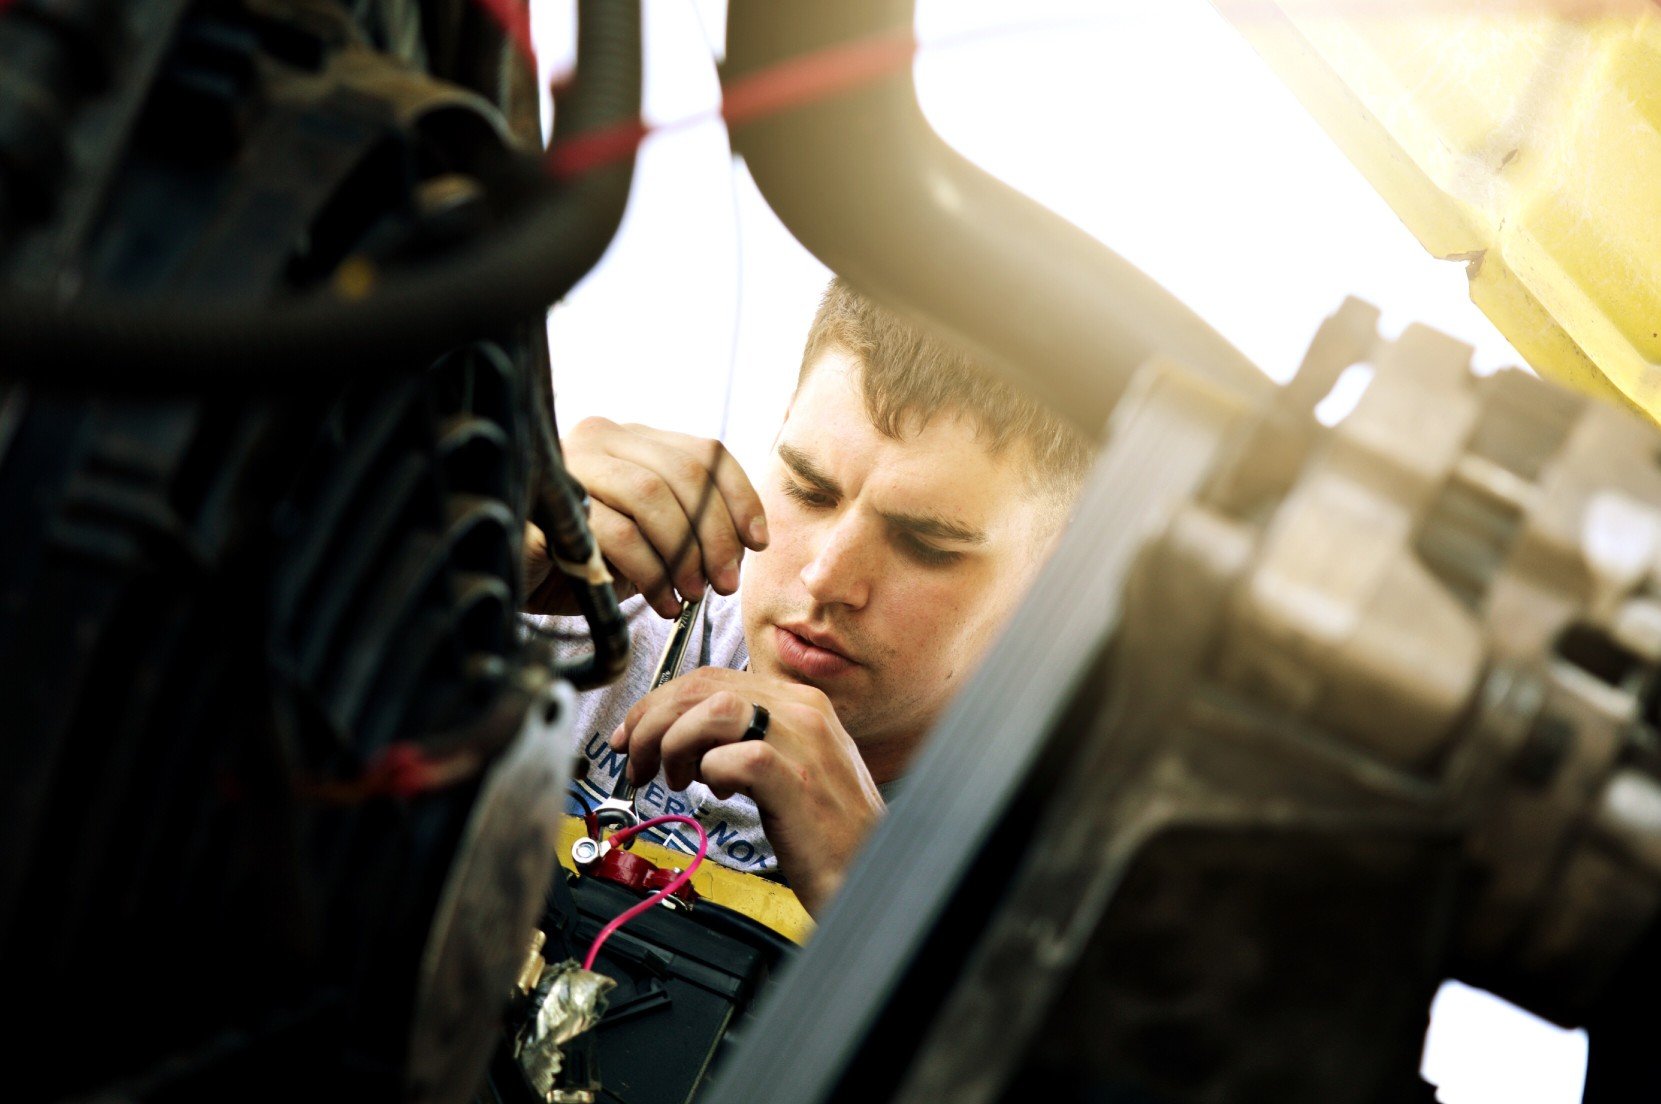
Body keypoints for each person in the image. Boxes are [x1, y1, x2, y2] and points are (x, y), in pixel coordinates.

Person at [524, 278, 1092, 916]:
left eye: (926, 544)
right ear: (782, 424)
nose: (826, 578)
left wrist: (869, 900)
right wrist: (460, 569)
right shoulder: (582, 612)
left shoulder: (1066, 874)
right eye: (808, 489)